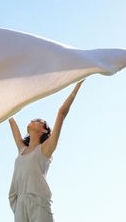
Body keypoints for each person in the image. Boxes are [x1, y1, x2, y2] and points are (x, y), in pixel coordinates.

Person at [8, 79, 85, 222]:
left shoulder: (45, 149)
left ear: (43, 129)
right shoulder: (21, 149)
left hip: (38, 202)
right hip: (20, 204)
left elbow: (61, 113)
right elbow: (10, 118)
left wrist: (78, 84)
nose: (33, 119)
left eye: (38, 120)